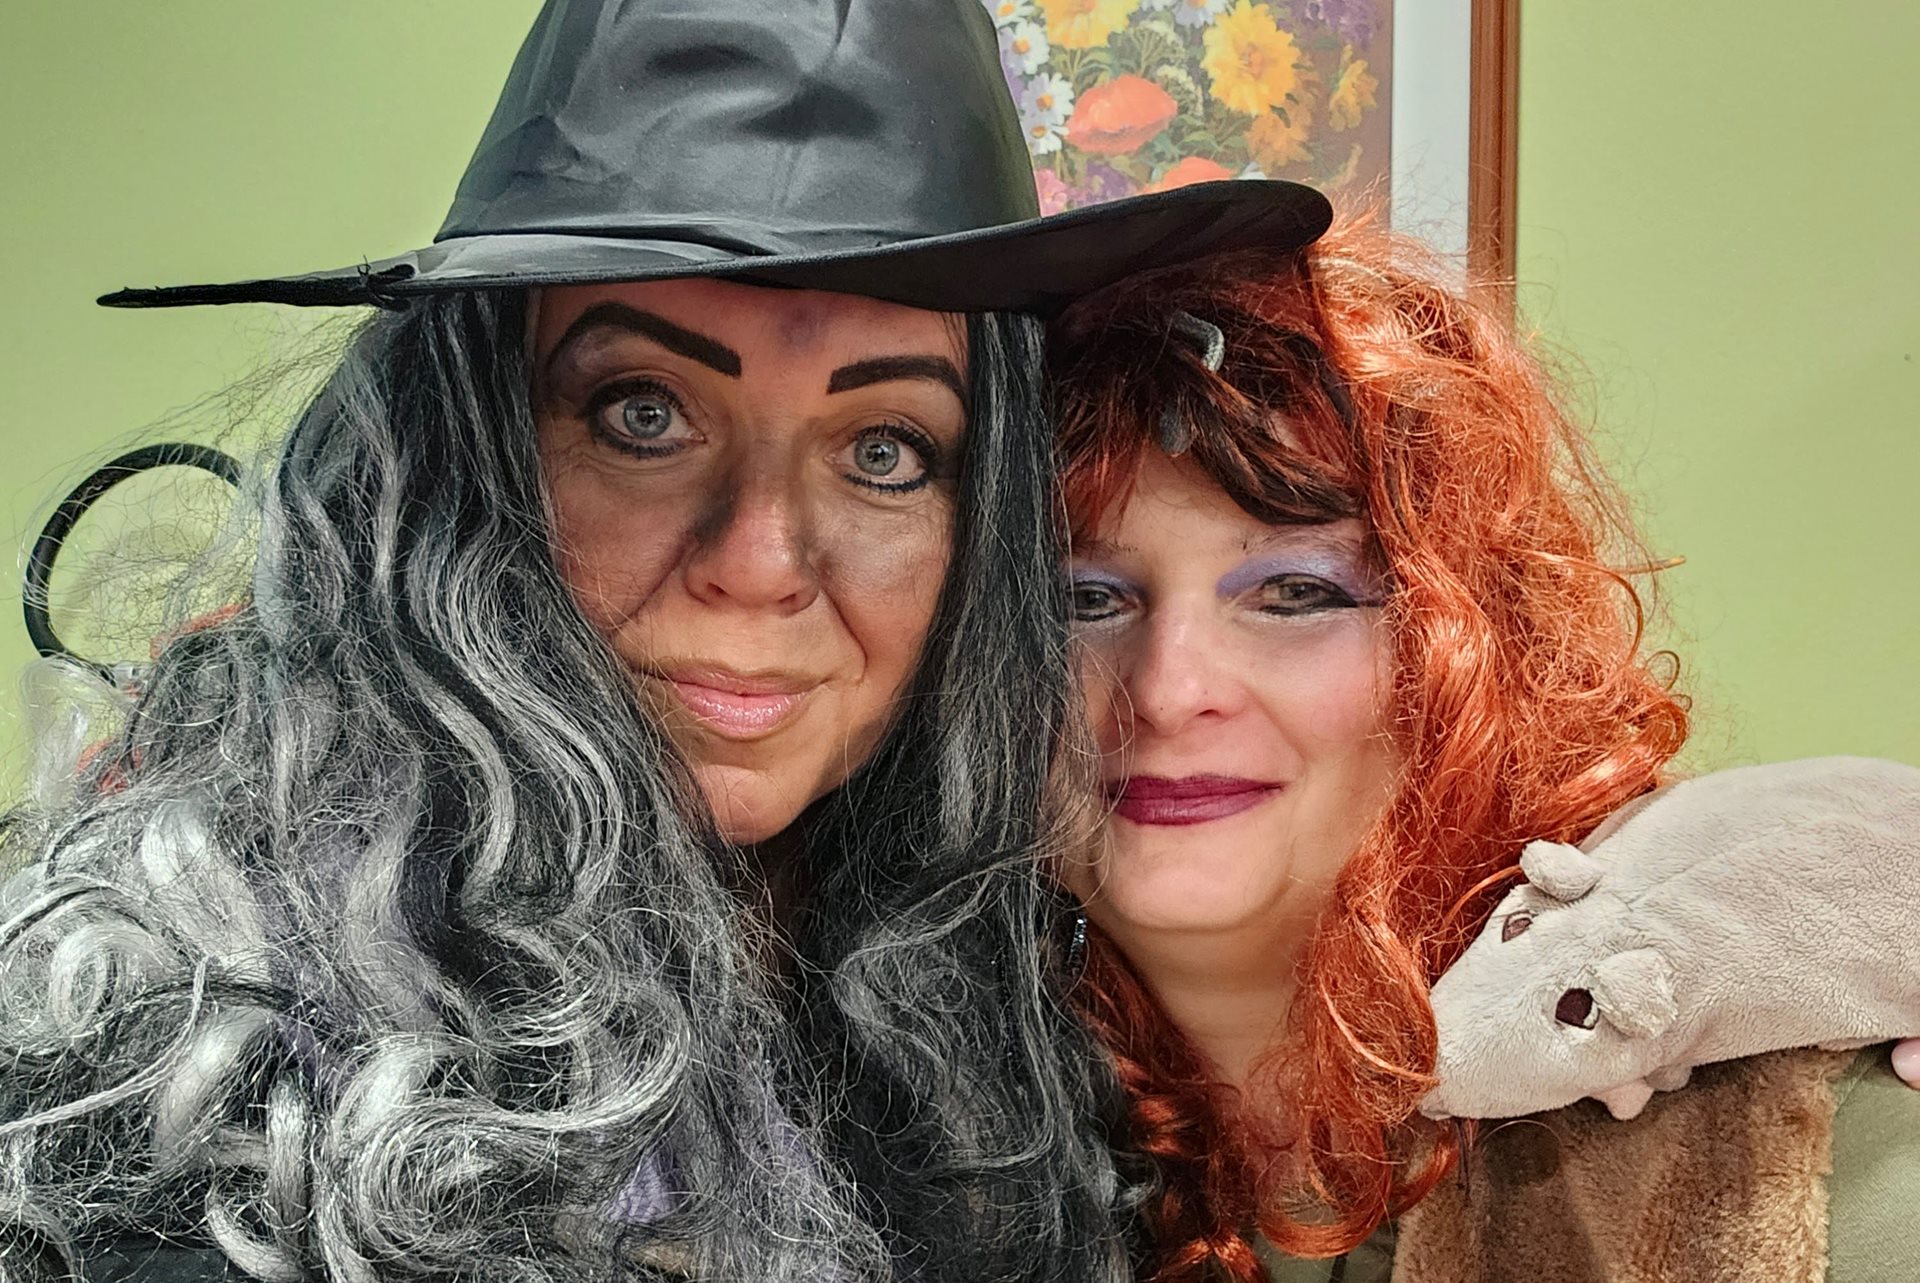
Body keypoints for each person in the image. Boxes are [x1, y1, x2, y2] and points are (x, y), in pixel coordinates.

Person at [0, 1, 1336, 1280]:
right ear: (462, 459)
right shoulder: (187, 1084)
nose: (759, 561)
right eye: (644, 413)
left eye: (884, 450)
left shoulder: (1021, 1014)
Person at [1046, 223, 1920, 1283]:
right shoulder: (915, 1119)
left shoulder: (1795, 1149)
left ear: (1467, 647)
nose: (1168, 691)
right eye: (1085, 599)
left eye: (1297, 592)